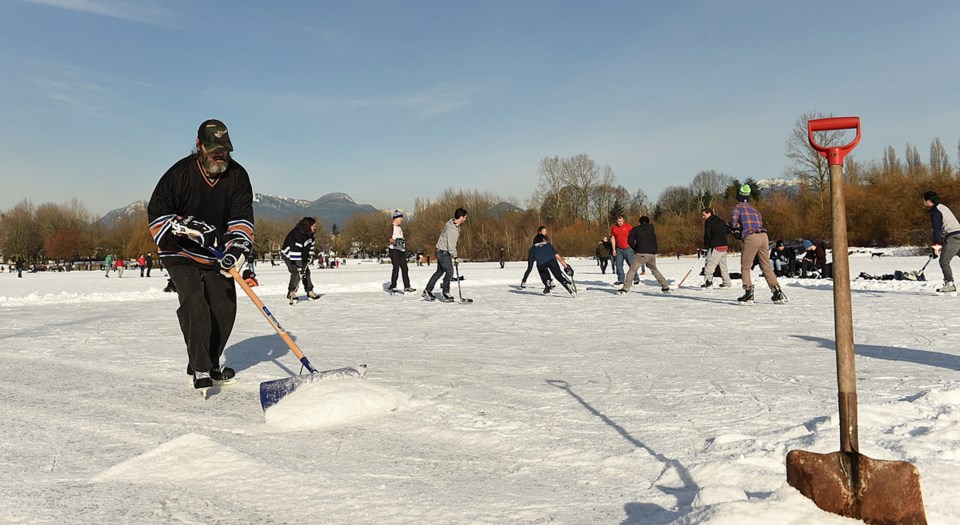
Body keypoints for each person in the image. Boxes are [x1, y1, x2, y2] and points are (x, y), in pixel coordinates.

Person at [147, 118, 254, 389]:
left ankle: (210, 359)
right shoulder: (179, 174)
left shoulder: (237, 176)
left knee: (225, 305)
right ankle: (201, 367)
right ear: (198, 145)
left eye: (225, 150)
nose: (220, 156)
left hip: (215, 253)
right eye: (214, 150)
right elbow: (157, 218)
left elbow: (240, 220)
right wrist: (186, 227)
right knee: (194, 299)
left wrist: (238, 248)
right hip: (178, 251)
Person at [730, 184, 784, 303]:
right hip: (764, 237)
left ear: (738, 197)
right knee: (766, 265)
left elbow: (734, 224)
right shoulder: (755, 210)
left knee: (745, 266)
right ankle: (776, 291)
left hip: (751, 237)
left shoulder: (737, 208)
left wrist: (735, 229)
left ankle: (748, 292)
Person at [423, 207, 468, 302]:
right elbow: (451, 245)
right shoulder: (453, 230)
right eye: (465, 217)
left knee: (439, 272)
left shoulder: (451, 224)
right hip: (443, 252)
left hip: (440, 250)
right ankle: (445, 293)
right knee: (450, 272)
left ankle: (428, 290)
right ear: (461, 217)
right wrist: (455, 256)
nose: (465, 219)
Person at [618, 216, 670, 294]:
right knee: (654, 270)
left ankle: (625, 288)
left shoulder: (636, 229)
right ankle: (665, 286)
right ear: (648, 222)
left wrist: (635, 248)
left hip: (640, 254)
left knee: (632, 270)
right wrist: (654, 251)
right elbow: (654, 240)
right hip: (651, 254)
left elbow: (630, 240)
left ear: (640, 222)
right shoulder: (651, 229)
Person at [922, 190, 960, 293]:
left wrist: (936, 245)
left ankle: (950, 284)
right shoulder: (941, 207)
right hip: (957, 234)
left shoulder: (935, 212)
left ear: (929, 201)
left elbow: (937, 229)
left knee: (944, 261)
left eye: (924, 200)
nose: (923, 202)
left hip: (953, 237)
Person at [281, 217, 320, 303]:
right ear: (308, 226)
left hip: (302, 254)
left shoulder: (311, 234)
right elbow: (295, 250)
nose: (315, 227)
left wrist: (309, 257)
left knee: (306, 272)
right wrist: (299, 265)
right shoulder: (297, 234)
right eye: (313, 226)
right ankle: (291, 292)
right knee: (296, 272)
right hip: (289, 254)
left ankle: (309, 291)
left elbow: (311, 246)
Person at [700, 207, 732, 288]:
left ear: (709, 213)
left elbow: (707, 235)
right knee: (723, 265)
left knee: (709, 264)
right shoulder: (721, 221)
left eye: (704, 215)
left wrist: (705, 247)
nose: (703, 217)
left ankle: (708, 282)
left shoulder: (709, 222)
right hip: (724, 246)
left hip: (715, 247)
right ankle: (727, 283)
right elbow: (727, 231)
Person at [387, 210, 415, 294]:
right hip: (394, 250)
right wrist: (393, 241)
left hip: (401, 250)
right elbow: (389, 238)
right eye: (400, 219)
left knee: (405, 268)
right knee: (396, 267)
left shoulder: (399, 228)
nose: (401, 221)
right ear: (396, 218)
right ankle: (393, 285)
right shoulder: (391, 227)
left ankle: (407, 286)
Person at [610, 215, 639, 285]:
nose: (620, 223)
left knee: (631, 264)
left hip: (628, 249)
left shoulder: (628, 226)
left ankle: (636, 278)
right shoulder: (614, 228)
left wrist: (635, 246)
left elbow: (634, 237)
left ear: (623, 221)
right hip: (619, 249)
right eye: (618, 221)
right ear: (617, 221)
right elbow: (613, 238)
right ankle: (621, 279)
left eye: (621, 221)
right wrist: (614, 249)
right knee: (618, 265)